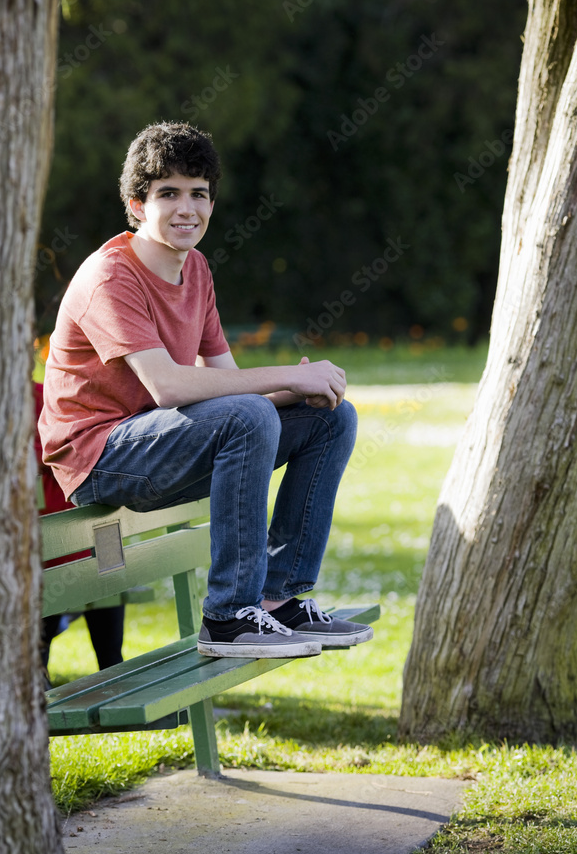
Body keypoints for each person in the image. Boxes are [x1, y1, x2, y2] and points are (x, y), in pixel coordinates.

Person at [39, 121, 373, 659]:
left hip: (158, 445)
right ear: (136, 205)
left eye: (198, 193)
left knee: (332, 418)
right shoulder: (110, 276)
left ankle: (278, 599)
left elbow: (232, 391)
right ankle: (227, 617)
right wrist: (287, 375)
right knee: (248, 415)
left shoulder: (195, 269)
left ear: (213, 204)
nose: (187, 208)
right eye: (168, 193)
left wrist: (301, 392)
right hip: (97, 457)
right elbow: (169, 386)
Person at [34, 381, 124, 674]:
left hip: (59, 547)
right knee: (104, 548)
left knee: (102, 549)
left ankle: (41, 669)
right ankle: (111, 667)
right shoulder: (53, 396)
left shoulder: (48, 397)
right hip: (69, 543)